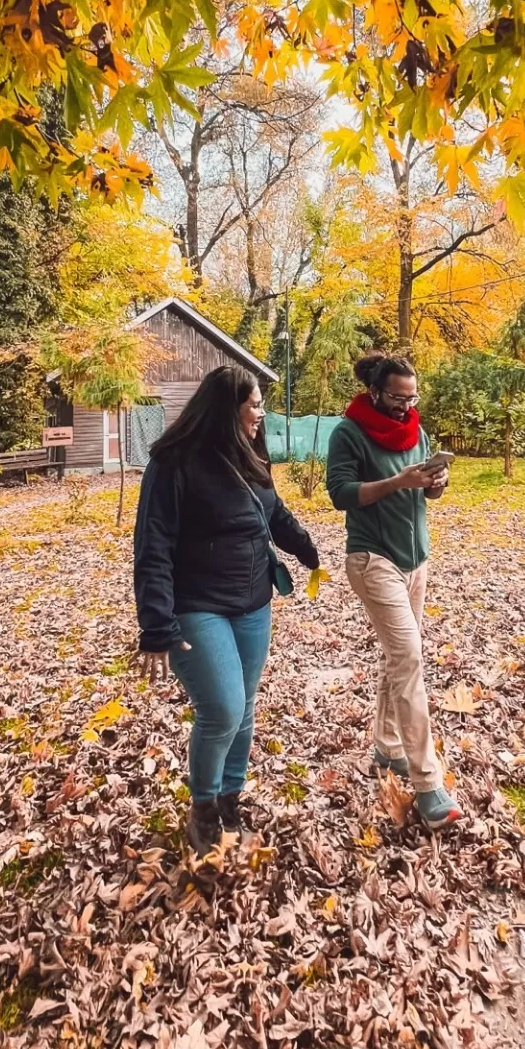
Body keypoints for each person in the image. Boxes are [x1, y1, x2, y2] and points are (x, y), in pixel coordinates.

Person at [132, 364, 320, 855]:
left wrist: (303, 546)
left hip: (253, 601)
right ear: (227, 406)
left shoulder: (248, 453)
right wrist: (156, 625)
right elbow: (153, 545)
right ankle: (204, 807)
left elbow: (272, 510)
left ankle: (230, 797)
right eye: (255, 403)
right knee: (222, 709)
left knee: (246, 706)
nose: (261, 413)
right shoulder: (173, 463)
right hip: (197, 604)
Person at [325, 352, 462, 831]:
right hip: (372, 559)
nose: (407, 406)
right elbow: (340, 493)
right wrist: (398, 481)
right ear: (376, 392)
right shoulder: (349, 432)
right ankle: (428, 785)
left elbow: (427, 494)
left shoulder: (416, 430)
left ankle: (387, 747)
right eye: (398, 397)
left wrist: (435, 483)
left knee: (397, 658)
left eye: (413, 397)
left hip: (416, 560)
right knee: (410, 660)